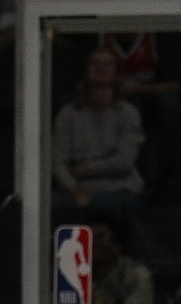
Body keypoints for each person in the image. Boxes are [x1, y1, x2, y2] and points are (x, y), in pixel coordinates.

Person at [51, 44, 144, 219]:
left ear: (117, 74)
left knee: (108, 204)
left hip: (118, 188)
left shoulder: (128, 113)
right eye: (94, 63)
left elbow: (124, 162)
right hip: (77, 190)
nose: (100, 68)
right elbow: (58, 162)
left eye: (108, 64)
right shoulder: (68, 113)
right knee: (46, 206)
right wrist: (75, 190)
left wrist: (85, 169)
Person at [88, 217, 154, 304]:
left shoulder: (136, 275)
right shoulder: (71, 272)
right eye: (89, 238)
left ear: (117, 245)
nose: (95, 243)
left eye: (103, 237)